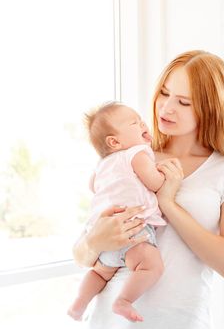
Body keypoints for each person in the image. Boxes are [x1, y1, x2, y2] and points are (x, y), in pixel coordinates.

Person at [71, 50, 224, 328]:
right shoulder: (129, 157)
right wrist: (95, 241)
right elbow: (81, 255)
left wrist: (168, 203)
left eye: (183, 102)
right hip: (108, 319)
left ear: (210, 108)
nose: (166, 108)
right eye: (164, 93)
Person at [68, 102, 167, 322]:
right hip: (133, 230)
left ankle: (79, 303)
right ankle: (124, 300)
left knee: (99, 273)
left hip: (103, 235)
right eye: (135, 122)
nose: (143, 124)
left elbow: (93, 186)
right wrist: (163, 175)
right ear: (114, 141)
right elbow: (155, 183)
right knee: (151, 266)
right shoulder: (138, 153)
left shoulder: (101, 165)